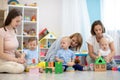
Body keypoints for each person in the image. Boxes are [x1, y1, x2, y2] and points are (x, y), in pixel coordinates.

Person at [0, 9, 26, 73]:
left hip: (12, 61)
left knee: (25, 65)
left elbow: (14, 50)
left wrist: (21, 56)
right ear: (10, 19)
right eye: (17, 21)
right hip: (3, 60)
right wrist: (17, 60)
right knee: (19, 68)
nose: (19, 23)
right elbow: (1, 54)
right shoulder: (1, 31)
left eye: (20, 21)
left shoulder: (15, 31)